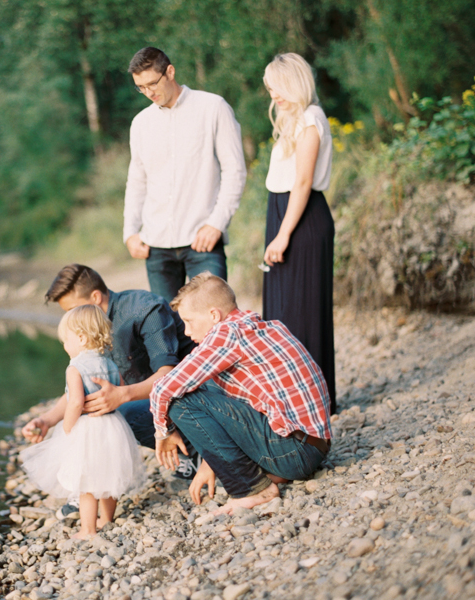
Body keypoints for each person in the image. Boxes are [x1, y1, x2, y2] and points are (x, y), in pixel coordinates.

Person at [21, 264, 198, 518]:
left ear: (95, 298)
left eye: (73, 310)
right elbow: (82, 389)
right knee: (102, 421)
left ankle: (193, 453)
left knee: (113, 418)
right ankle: (89, 492)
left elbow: (168, 376)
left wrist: (121, 395)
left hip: (188, 399)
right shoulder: (91, 336)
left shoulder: (145, 309)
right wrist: (47, 420)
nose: (70, 320)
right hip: (150, 403)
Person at [151, 272, 331, 514]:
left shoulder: (226, 334)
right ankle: (264, 473)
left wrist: (163, 433)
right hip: (314, 446)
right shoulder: (259, 325)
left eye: (189, 321)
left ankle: (251, 489)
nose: (186, 331)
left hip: (295, 454)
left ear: (214, 315)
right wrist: (210, 461)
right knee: (201, 383)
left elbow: (163, 388)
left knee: (180, 401)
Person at [124, 46, 247, 302]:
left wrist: (217, 223)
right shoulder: (140, 123)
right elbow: (137, 180)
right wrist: (130, 231)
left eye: (152, 84)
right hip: (156, 244)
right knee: (167, 332)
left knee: (213, 324)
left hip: (202, 241)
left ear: (170, 72)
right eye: (140, 87)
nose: (148, 93)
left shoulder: (213, 107)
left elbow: (234, 170)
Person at [20, 305, 146, 539]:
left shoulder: (75, 367)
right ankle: (107, 519)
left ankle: (88, 530)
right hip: (111, 424)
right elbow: (118, 389)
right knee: (109, 474)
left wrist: (67, 426)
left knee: (87, 481)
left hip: (88, 427)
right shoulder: (110, 363)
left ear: (81, 337)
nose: (65, 346)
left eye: (66, 340)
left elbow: (76, 402)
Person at [261, 53, 337, 413]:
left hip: (300, 219)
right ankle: (294, 396)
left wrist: (283, 234)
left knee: (301, 309)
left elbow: (303, 182)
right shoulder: (295, 120)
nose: (272, 95)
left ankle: (312, 401)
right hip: (285, 215)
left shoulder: (311, 118)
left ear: (294, 82)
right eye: (269, 88)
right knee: (283, 309)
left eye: (276, 87)